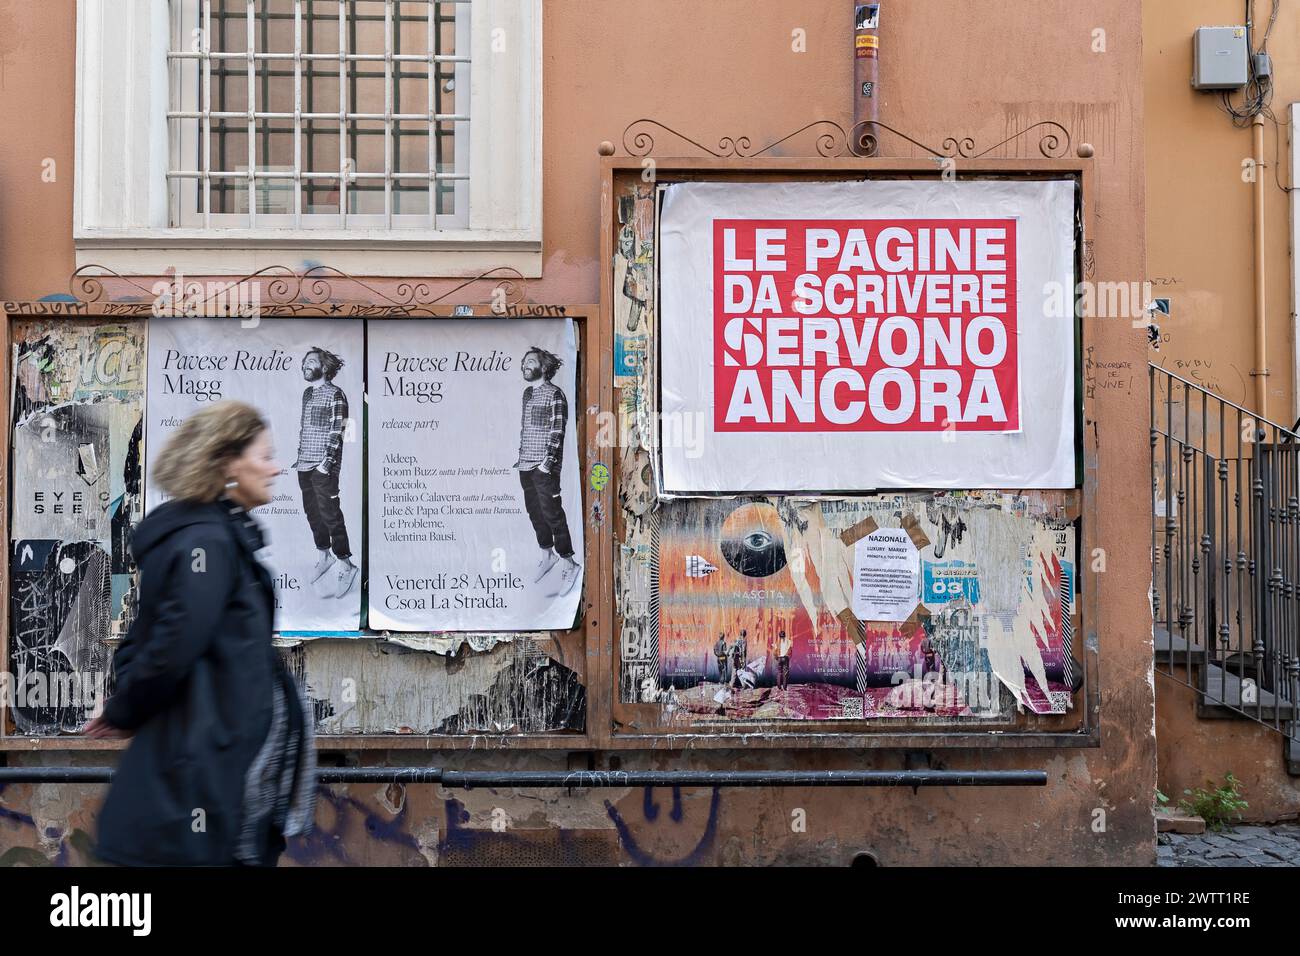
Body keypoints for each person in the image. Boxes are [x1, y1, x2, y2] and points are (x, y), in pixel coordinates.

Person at [87, 401, 317, 867]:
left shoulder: (220, 536)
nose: (276, 468)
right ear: (228, 463)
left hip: (209, 780)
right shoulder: (207, 543)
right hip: (194, 787)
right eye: (265, 455)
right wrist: (124, 707)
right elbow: (172, 644)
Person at [513, 346, 580, 597]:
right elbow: (527, 428)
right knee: (535, 513)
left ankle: (569, 563)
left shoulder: (555, 394)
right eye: (523, 362)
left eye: (529, 361)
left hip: (544, 467)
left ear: (544, 366)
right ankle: (547, 555)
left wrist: (546, 463)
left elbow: (557, 430)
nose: (524, 366)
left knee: (553, 514)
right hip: (525, 464)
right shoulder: (528, 393)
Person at [293, 347, 358, 598]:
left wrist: (326, 463)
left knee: (330, 514)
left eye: (310, 362)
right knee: (312, 513)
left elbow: (337, 431)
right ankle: (324, 555)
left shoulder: (336, 394)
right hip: (303, 463)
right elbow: (306, 428)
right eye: (304, 362)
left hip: (323, 466)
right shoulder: (307, 393)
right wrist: (301, 458)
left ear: (324, 367)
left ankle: (345, 564)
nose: (305, 365)